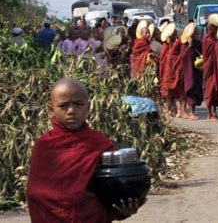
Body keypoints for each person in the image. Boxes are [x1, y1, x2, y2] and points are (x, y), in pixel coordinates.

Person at [27, 78, 144, 222]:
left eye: (78, 104)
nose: (71, 111)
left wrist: (123, 208)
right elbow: (36, 195)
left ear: (88, 107)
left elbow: (114, 188)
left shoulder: (100, 144)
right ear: (52, 110)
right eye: (63, 106)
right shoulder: (44, 146)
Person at [202, 15, 218, 121]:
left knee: (215, 90)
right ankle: (209, 114)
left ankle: (214, 113)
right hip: (210, 70)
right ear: (211, 29)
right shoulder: (208, 40)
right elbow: (216, 47)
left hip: (215, 69)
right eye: (216, 28)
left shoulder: (213, 39)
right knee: (210, 90)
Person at [181, 28, 203, 120]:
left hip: (197, 70)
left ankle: (192, 112)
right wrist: (189, 46)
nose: (198, 35)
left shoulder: (198, 44)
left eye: (198, 34)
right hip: (189, 71)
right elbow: (183, 56)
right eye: (196, 34)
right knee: (191, 90)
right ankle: (191, 113)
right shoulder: (185, 45)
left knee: (196, 90)